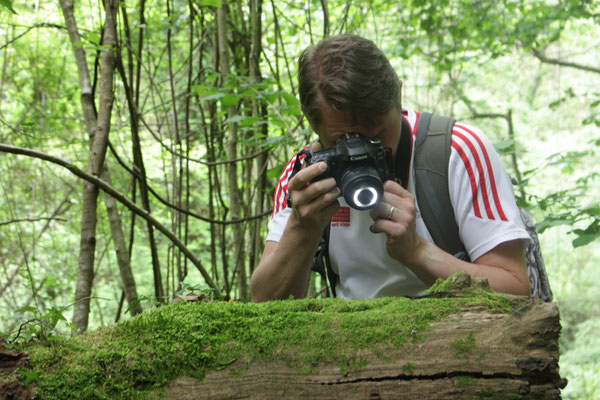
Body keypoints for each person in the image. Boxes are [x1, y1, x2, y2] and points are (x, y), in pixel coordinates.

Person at [251, 34, 531, 302]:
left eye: (379, 134)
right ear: (313, 126)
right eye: (343, 141)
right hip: (352, 343)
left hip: (460, 341)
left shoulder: (457, 151)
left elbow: (515, 288)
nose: (365, 151)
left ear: (398, 93)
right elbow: (265, 304)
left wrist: (417, 251)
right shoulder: (304, 176)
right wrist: (303, 227)